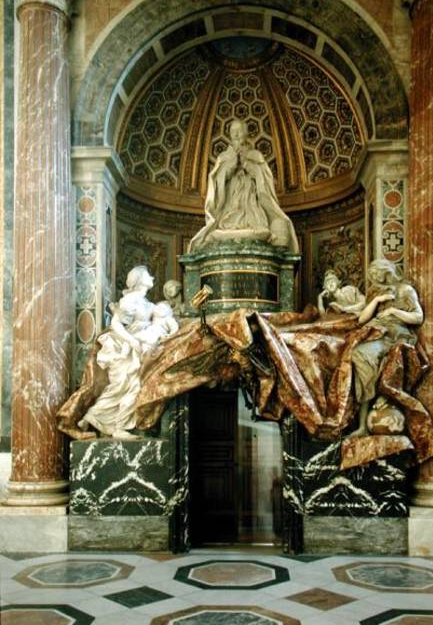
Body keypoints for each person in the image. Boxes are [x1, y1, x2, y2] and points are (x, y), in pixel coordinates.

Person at [77, 266, 178, 439]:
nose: (152, 277)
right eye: (148, 275)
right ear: (139, 280)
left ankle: (91, 417)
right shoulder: (130, 301)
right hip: (127, 349)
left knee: (124, 388)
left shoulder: (147, 303)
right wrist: (132, 342)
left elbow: (166, 317)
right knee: (126, 387)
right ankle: (118, 428)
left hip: (141, 347)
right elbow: (116, 325)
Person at [188, 119, 299, 253]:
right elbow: (215, 184)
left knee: (257, 222)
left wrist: (248, 165)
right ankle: (230, 226)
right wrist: (229, 169)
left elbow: (265, 182)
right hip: (229, 203)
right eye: (233, 132)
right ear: (229, 135)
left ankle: (251, 223)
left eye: (240, 131)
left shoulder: (256, 155)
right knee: (223, 225)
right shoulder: (224, 157)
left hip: (251, 202)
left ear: (246, 134)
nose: (236, 135)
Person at [350, 258, 423, 437]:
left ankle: (379, 396)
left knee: (371, 358)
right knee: (359, 355)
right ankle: (362, 425)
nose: (374, 277)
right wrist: (377, 300)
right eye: (372, 275)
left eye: (376, 273)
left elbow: (418, 317)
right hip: (377, 333)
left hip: (395, 334)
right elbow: (361, 320)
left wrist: (393, 311)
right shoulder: (377, 292)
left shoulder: (405, 290)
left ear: (386, 270)